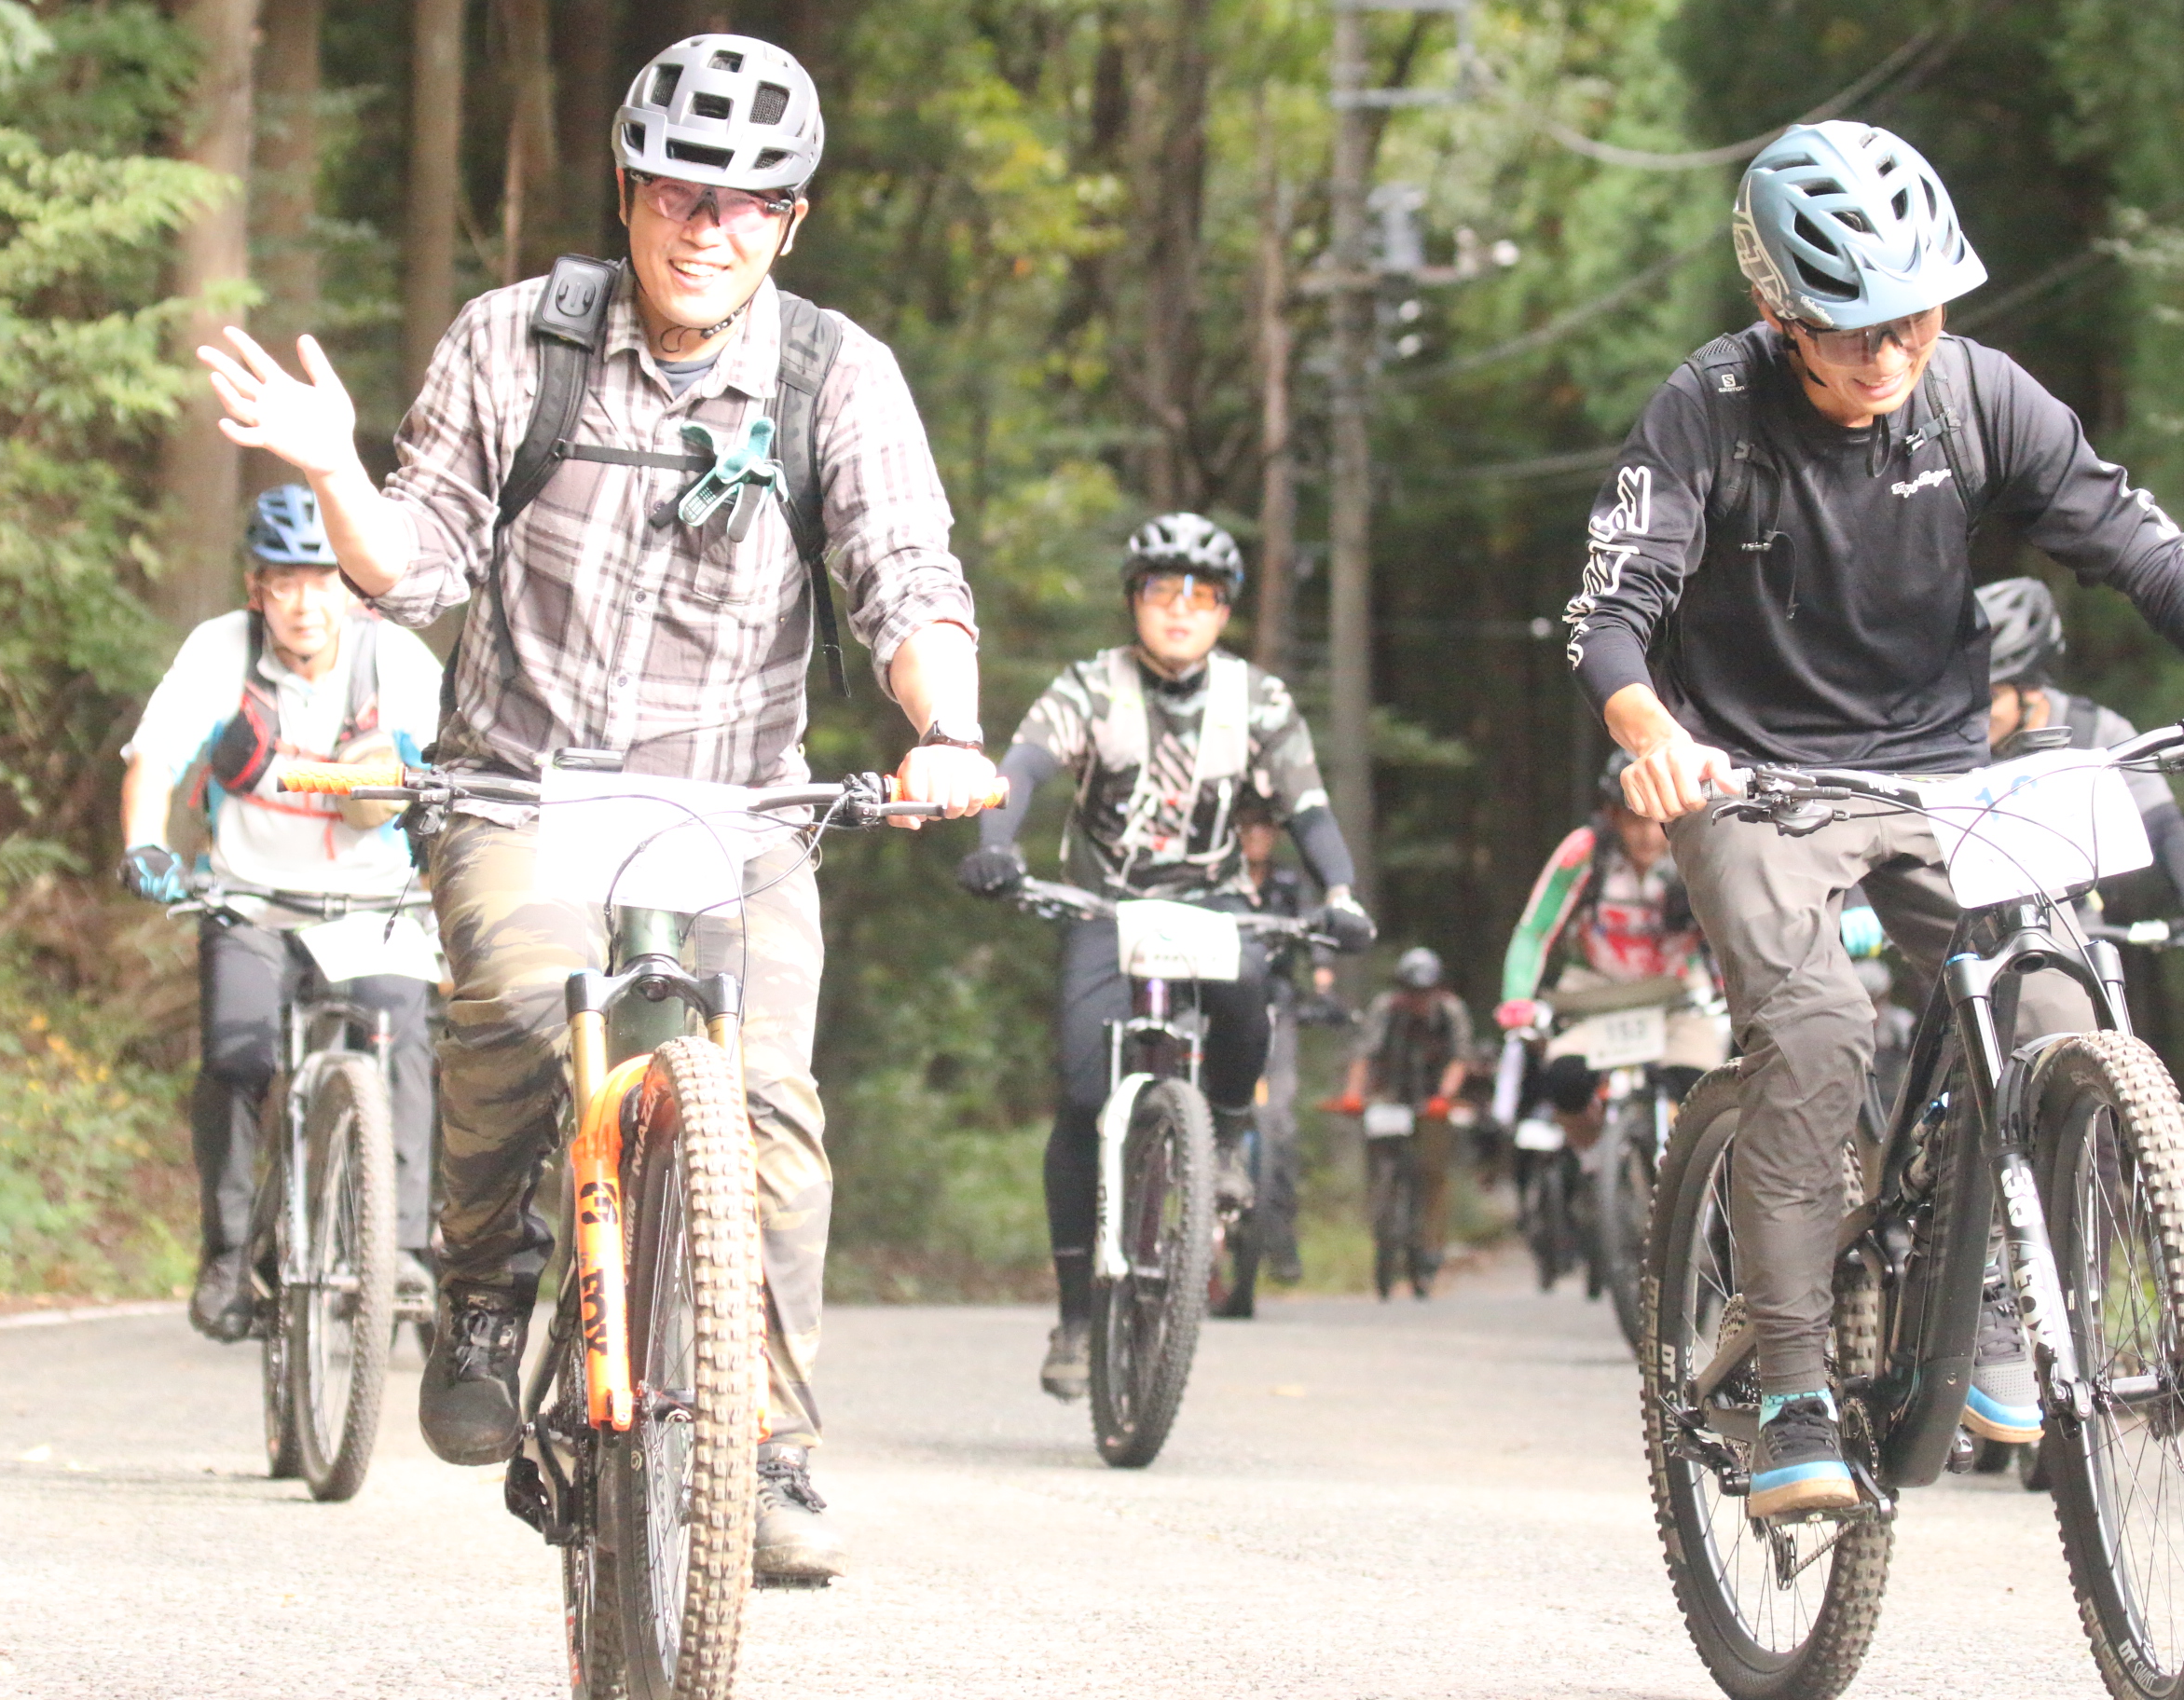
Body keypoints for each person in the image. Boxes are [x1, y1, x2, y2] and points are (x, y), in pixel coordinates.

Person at [197, 34, 999, 1581]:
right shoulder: (518, 342)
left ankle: (764, 1448)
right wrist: (334, 471)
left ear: (791, 223)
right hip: (525, 784)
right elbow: (417, 566)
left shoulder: (836, 375)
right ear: (627, 193)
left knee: (769, 1110)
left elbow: (906, 575)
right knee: (516, 997)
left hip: (740, 808)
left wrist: (949, 730)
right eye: (680, 192)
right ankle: (486, 1284)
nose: (708, 229)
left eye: (746, 203)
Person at [1563, 118, 2184, 1518]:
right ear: (1779, 314)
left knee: (2053, 1002)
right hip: (1752, 780)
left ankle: (1987, 1292)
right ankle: (1789, 1380)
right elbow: (1613, 609)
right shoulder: (1707, 409)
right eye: (1852, 329)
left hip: (1945, 773)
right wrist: (1652, 734)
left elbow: (2129, 535)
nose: (1888, 354)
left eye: (1913, 319)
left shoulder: (1977, 396)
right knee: (1817, 1027)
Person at [954, 513, 1373, 1397]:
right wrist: (996, 844)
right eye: (1160, 591)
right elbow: (1022, 767)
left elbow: (1306, 808)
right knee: (1080, 1097)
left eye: (1202, 595)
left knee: (1250, 984)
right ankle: (1076, 1318)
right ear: (1132, 601)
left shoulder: (1258, 699)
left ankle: (1226, 1134)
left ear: (1225, 611)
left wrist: (1340, 892)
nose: (1181, 609)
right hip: (1105, 906)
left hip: (1213, 904)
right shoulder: (1091, 686)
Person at [118, 485, 444, 1344]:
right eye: (285, 583)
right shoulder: (220, 649)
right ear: (256, 588)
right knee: (236, 1058)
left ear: (352, 586)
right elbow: (156, 757)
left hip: (374, 910)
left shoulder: (397, 660)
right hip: (250, 902)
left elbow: (459, 770)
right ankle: (230, 1254)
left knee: (402, 1045)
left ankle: (404, 1250)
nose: (304, 603)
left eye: (322, 580)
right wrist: (146, 845)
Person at [1980, 575, 2184, 963]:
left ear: (2030, 688)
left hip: (2069, 923)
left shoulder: (2096, 733)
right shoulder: (1949, 742)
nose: (1974, 713)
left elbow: (2161, 824)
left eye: (1989, 696)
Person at [1492, 752, 1725, 1146]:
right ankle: (1589, 1155)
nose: (1647, 834)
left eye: (1657, 819)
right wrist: (1516, 998)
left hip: (1677, 995)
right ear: (1613, 816)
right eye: (1635, 818)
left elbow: (1728, 926)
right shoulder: (1585, 853)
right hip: (1595, 995)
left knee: (1702, 1094)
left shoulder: (1699, 850)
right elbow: (1535, 931)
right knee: (1565, 1081)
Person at [1326, 948, 1477, 1297]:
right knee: (1379, 1164)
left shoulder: (1451, 1012)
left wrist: (1443, 1096)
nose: (1418, 1000)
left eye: (1424, 992)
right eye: (1411, 991)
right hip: (1390, 1097)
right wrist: (1353, 1094)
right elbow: (1365, 1053)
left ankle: (1431, 1249)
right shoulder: (1385, 1009)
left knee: (1433, 1173)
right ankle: (1382, 1222)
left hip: (1431, 1102)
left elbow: (1459, 1058)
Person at [1235, 799, 1339, 1284]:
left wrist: (1323, 983)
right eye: (1247, 827)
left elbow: (1315, 934)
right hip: (1222, 1005)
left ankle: (1280, 1234)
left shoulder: (1288, 885)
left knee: (1279, 1123)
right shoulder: (1218, 881)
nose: (1257, 836)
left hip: (1276, 1007)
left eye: (1265, 828)